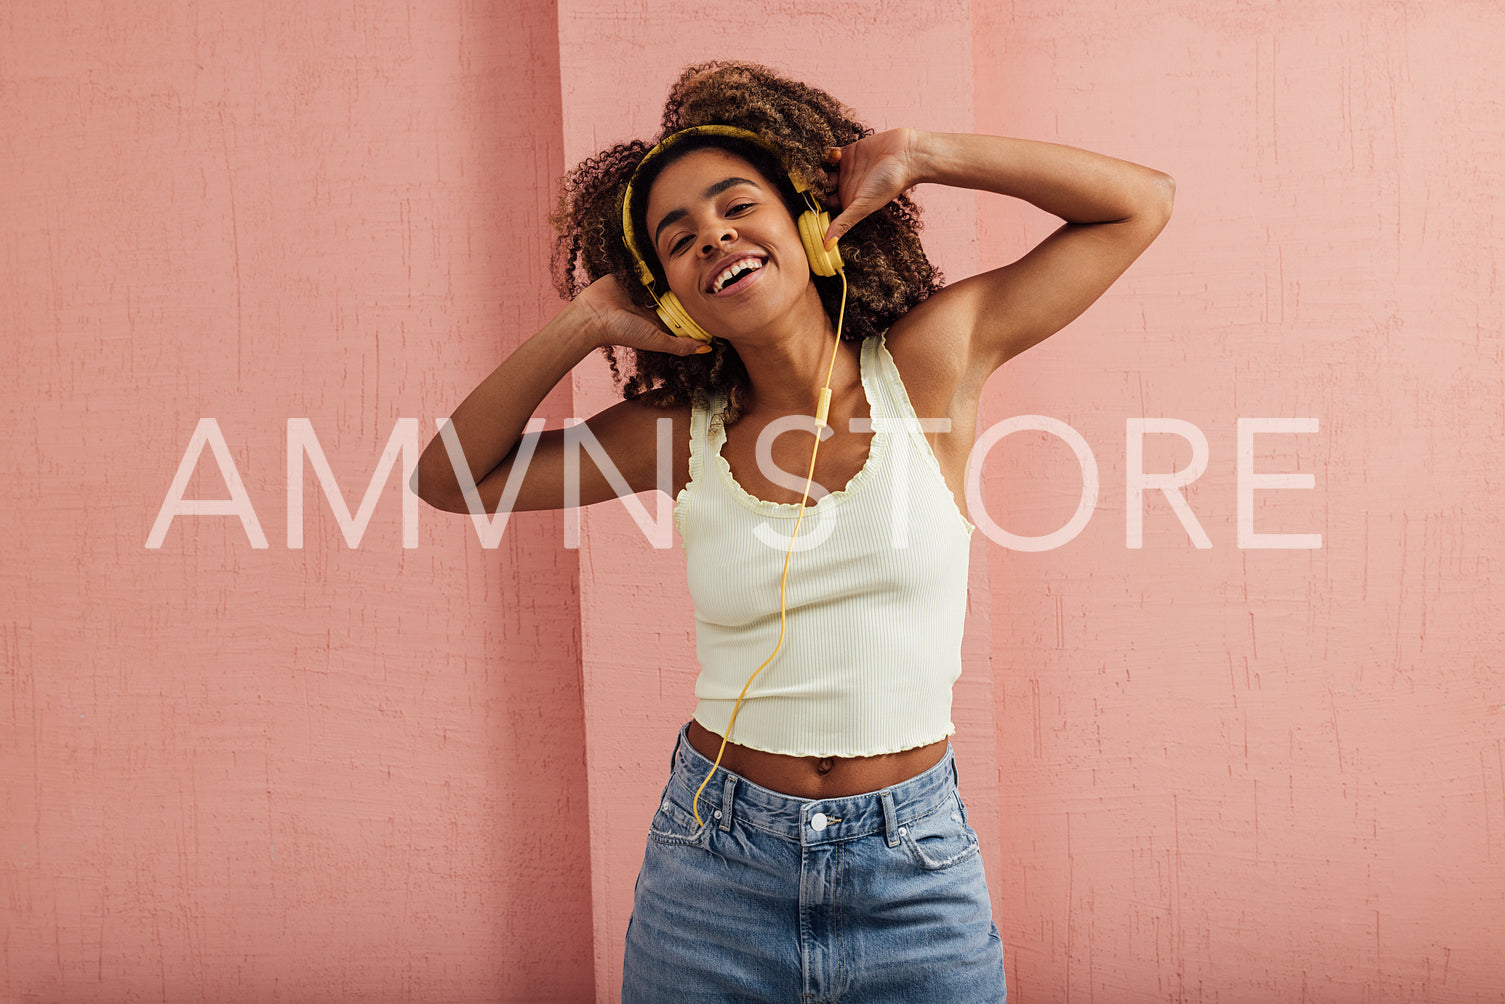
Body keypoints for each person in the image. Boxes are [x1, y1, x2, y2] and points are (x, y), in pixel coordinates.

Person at [413, 60, 1172, 1003]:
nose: (713, 236)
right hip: (713, 867)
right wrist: (582, 325)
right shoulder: (673, 434)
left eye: (738, 205)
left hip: (912, 868)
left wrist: (924, 154)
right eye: (677, 238)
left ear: (810, 224)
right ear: (667, 289)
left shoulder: (928, 370)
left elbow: (1139, 204)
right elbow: (450, 481)